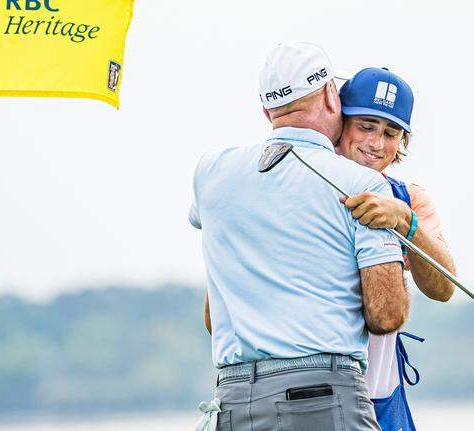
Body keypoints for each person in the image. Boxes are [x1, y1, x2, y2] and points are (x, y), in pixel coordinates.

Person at [190, 43, 409, 431]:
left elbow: (213, 316)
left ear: (265, 110)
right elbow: (386, 315)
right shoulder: (364, 184)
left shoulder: (211, 172)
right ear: (330, 95)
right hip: (323, 396)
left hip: (234, 398)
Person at [335, 67, 457, 430]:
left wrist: (406, 222)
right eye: (366, 126)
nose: (377, 143)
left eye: (391, 133)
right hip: (320, 394)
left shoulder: (410, 198)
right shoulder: (306, 182)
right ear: (341, 122)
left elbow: (443, 288)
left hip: (384, 396)